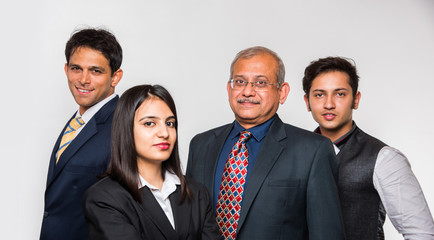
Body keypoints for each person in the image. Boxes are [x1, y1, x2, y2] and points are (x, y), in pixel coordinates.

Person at [186, 46, 344, 240]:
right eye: (240, 82)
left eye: (260, 83)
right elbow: (189, 225)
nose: (248, 91)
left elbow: (327, 235)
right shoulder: (201, 145)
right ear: (229, 89)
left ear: (282, 92)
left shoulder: (313, 151)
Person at [302, 56, 434, 239]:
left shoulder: (384, 158)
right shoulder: (296, 153)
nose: (329, 104)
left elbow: (422, 233)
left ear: (355, 100)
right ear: (307, 102)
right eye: (319, 94)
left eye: (340, 94)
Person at [82, 84, 220, 240]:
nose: (164, 133)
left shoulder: (196, 192)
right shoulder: (104, 197)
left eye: (170, 123)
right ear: (126, 129)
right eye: (149, 123)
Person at [40, 28, 123, 240]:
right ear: (66, 69)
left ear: (115, 77)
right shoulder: (78, 121)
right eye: (77, 68)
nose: (83, 79)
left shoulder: (123, 127)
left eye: (96, 71)